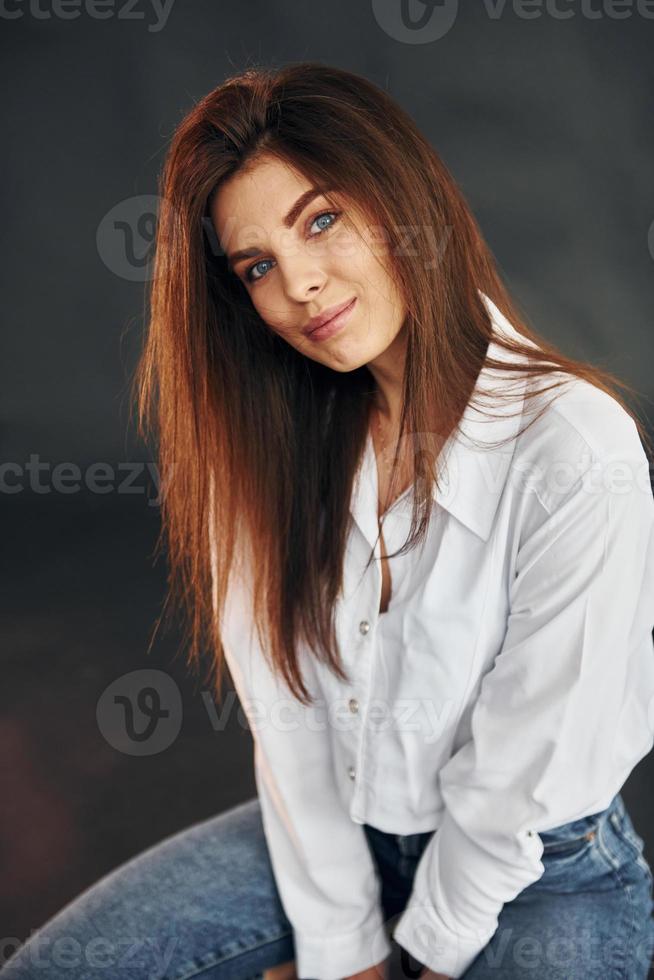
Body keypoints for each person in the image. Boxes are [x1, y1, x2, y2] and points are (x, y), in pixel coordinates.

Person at [5, 62, 654, 980]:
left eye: (321, 221)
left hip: (536, 868)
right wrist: (344, 953)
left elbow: (525, 769)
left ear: (401, 204)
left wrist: (425, 954)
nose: (299, 285)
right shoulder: (270, 443)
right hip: (337, 842)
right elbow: (291, 724)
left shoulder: (573, 448)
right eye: (257, 267)